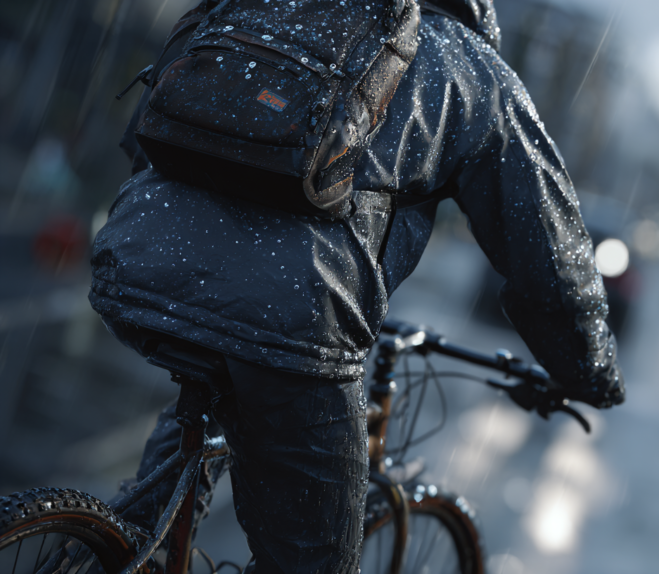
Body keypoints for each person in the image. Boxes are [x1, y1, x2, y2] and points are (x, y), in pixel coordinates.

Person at [89, 0, 625, 572]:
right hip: (296, 321)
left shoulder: (256, 5)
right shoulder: (469, 65)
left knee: (193, 445)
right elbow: (549, 253)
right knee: (316, 554)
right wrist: (588, 372)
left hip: (136, 260)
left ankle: (107, 549)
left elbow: (144, 133)